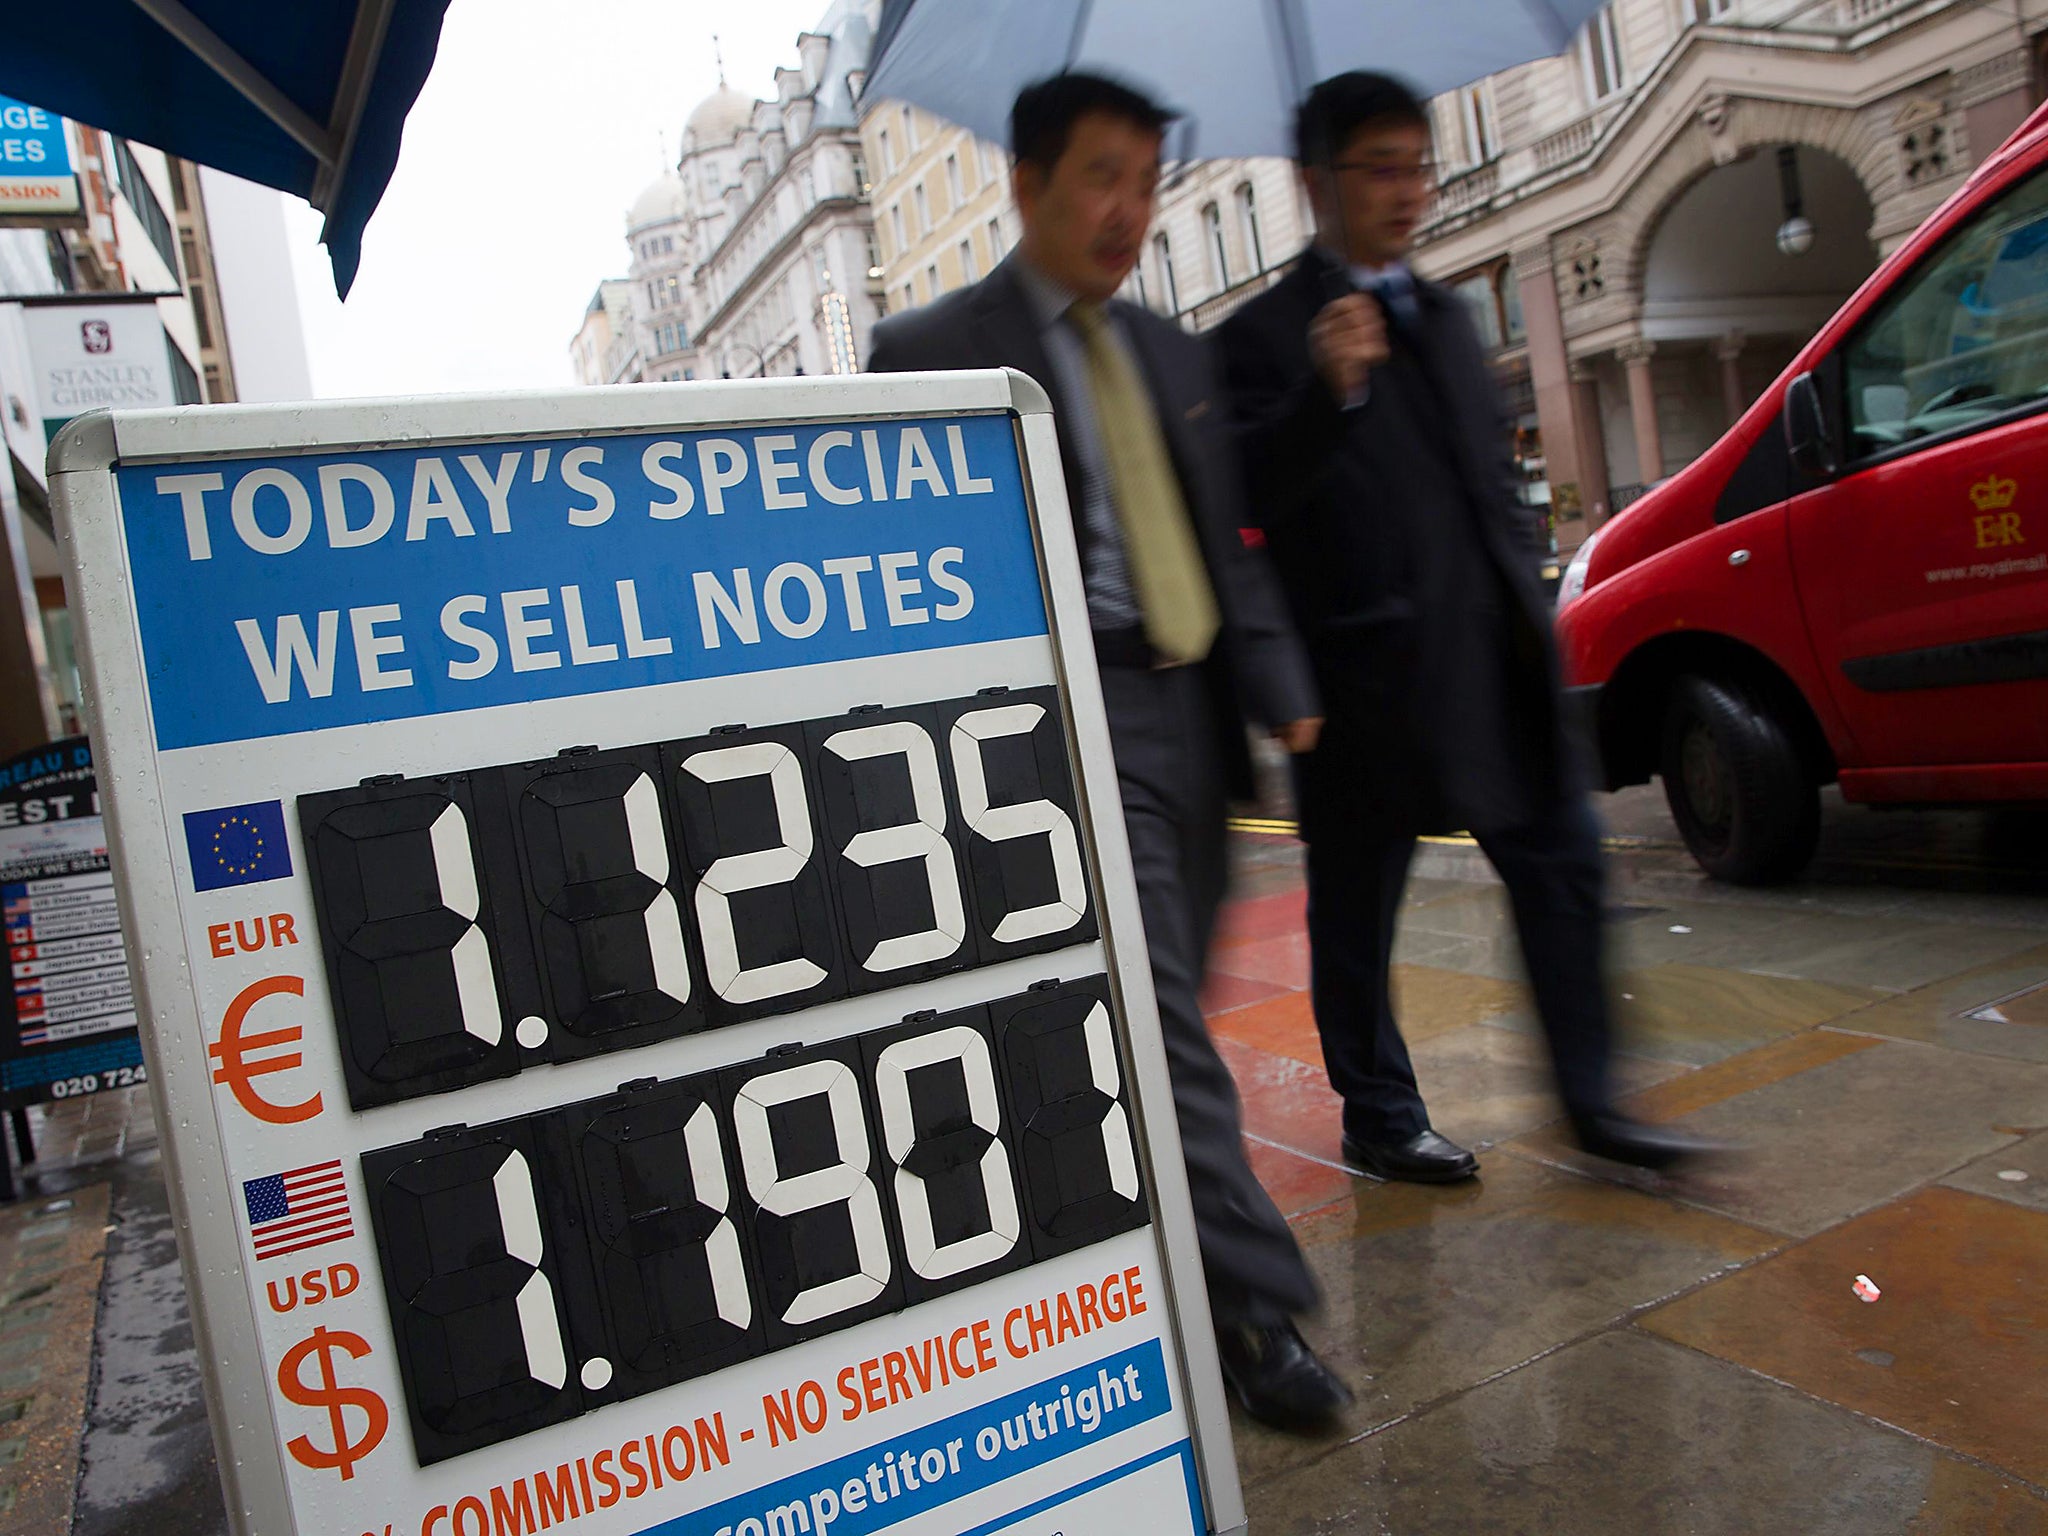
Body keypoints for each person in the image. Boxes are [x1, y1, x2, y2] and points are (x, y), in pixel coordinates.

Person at [868, 71, 1350, 1430]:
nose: (1129, 211)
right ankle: (1255, 1308)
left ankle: (1132, 1235)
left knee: (1161, 1013)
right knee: (1157, 1020)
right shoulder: (926, 353)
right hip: (1058, 728)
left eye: (1146, 181)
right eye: (1100, 178)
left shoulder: (1171, 352)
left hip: (1191, 717)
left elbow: (1224, 542)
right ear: (1024, 185)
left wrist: (1279, 681)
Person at [1215, 72, 1713, 1182]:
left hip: (1490, 664)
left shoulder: (1443, 315)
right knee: (1357, 911)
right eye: (1377, 168)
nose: (1405, 190)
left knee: (1561, 872)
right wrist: (1321, 393)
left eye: (1414, 164)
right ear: (1312, 183)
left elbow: (1487, 492)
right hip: (1362, 684)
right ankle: (1379, 1112)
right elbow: (1240, 495)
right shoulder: (1260, 338)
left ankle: (1592, 1105)